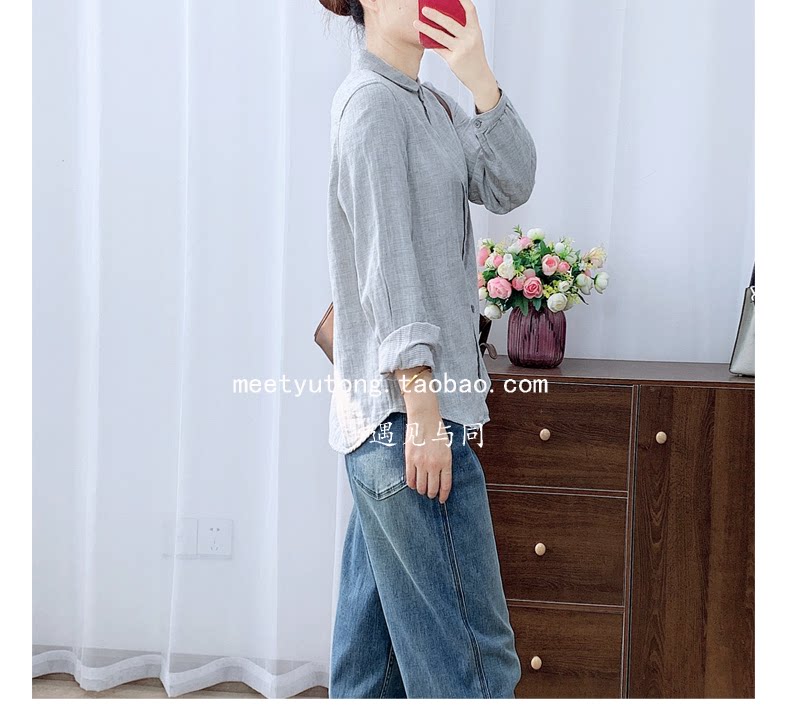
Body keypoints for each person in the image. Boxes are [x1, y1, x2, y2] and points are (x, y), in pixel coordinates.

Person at [319, 0, 537, 699]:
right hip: (409, 424)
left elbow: (509, 182)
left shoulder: (431, 106)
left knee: (372, 673)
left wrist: (479, 78)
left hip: (391, 431)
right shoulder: (372, 106)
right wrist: (422, 415)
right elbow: (389, 272)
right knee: (475, 671)